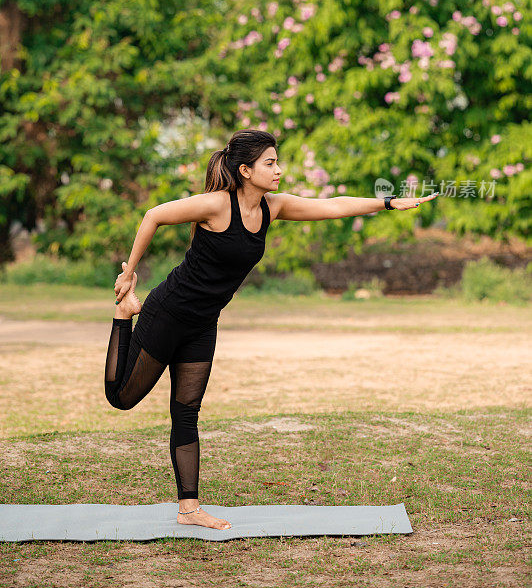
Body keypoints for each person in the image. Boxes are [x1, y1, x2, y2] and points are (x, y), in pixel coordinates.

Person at [104, 128, 439, 530]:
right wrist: (131, 270)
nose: (279, 170)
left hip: (203, 325)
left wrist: (387, 203)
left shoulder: (272, 208)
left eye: (277, 162)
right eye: (270, 163)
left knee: (186, 412)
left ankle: (189, 508)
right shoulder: (215, 205)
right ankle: (124, 315)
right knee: (122, 398)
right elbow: (154, 215)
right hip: (166, 313)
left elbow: (333, 206)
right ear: (245, 170)